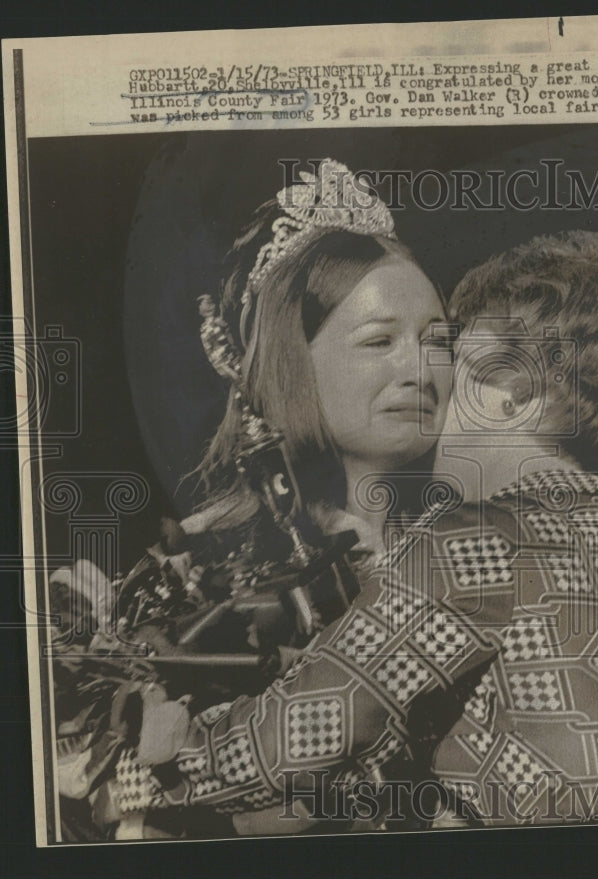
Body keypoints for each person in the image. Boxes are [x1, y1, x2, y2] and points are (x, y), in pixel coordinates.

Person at [122, 230, 598, 830]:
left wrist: (132, 772)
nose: (427, 381)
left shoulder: (474, 538)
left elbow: (307, 727)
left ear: (508, 395)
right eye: (381, 341)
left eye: (452, 357)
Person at [51, 158, 453, 838]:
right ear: (289, 362)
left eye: (438, 340)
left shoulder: (478, 540)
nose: (419, 368)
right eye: (379, 340)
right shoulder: (188, 584)